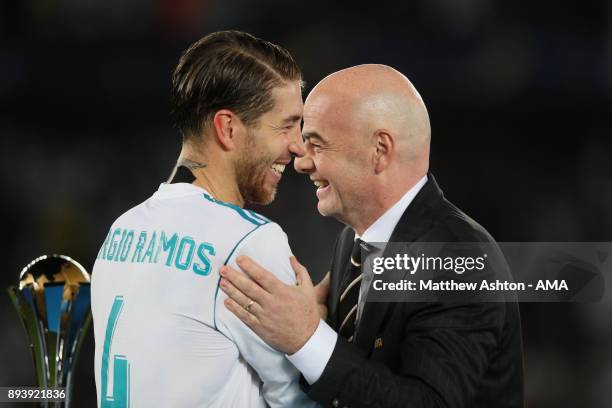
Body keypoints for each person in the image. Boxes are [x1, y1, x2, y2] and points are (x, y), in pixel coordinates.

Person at [219, 64, 525, 407]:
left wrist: (307, 339)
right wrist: (321, 328)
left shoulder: (459, 258)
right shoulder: (353, 242)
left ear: (379, 150)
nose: (301, 163)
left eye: (316, 144)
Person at [91, 30, 318, 407]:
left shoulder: (121, 230)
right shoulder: (250, 243)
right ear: (227, 128)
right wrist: (314, 332)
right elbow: (298, 401)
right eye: (285, 125)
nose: (297, 145)